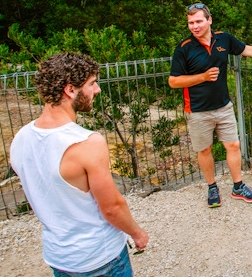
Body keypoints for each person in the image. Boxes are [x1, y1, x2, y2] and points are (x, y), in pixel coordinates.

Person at [10, 53, 149, 276]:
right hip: (99, 256)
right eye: (92, 83)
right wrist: (137, 233)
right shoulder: (86, 143)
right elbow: (112, 207)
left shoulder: (21, 138)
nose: (97, 90)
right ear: (70, 90)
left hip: (60, 258)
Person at [169, 2, 252, 207]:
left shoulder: (223, 38)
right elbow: (173, 81)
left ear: (209, 20)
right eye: (191, 22)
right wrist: (202, 77)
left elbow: (246, 49)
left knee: (233, 145)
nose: (194, 26)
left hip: (223, 106)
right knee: (205, 150)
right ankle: (212, 187)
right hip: (198, 110)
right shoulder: (184, 49)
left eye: (198, 21)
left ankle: (238, 187)